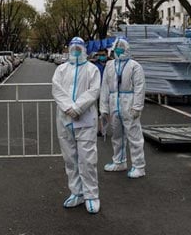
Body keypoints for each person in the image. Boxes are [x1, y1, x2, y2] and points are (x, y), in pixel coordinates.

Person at [52, 36, 102, 214]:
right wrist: (68, 108)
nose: (75, 50)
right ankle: (76, 192)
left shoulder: (92, 70)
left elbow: (94, 90)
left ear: (84, 49)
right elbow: (56, 89)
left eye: (78, 47)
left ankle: (91, 195)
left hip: (85, 120)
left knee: (87, 159)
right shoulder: (61, 69)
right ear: (68, 49)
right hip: (65, 120)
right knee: (70, 158)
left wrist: (78, 107)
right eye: (72, 47)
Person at [99, 37, 147, 179]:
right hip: (115, 103)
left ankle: (139, 166)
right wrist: (104, 108)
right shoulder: (110, 65)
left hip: (129, 102)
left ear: (127, 49)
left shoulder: (134, 66)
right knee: (117, 135)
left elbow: (139, 87)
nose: (119, 50)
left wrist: (137, 106)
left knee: (134, 136)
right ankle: (119, 161)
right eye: (117, 47)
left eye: (121, 47)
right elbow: (105, 87)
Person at [93, 48, 109, 136]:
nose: (101, 57)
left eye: (103, 55)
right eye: (99, 55)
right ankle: (101, 129)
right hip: (99, 90)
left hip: (110, 90)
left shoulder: (111, 64)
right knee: (100, 111)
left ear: (107, 54)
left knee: (111, 110)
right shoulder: (95, 65)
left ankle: (113, 127)